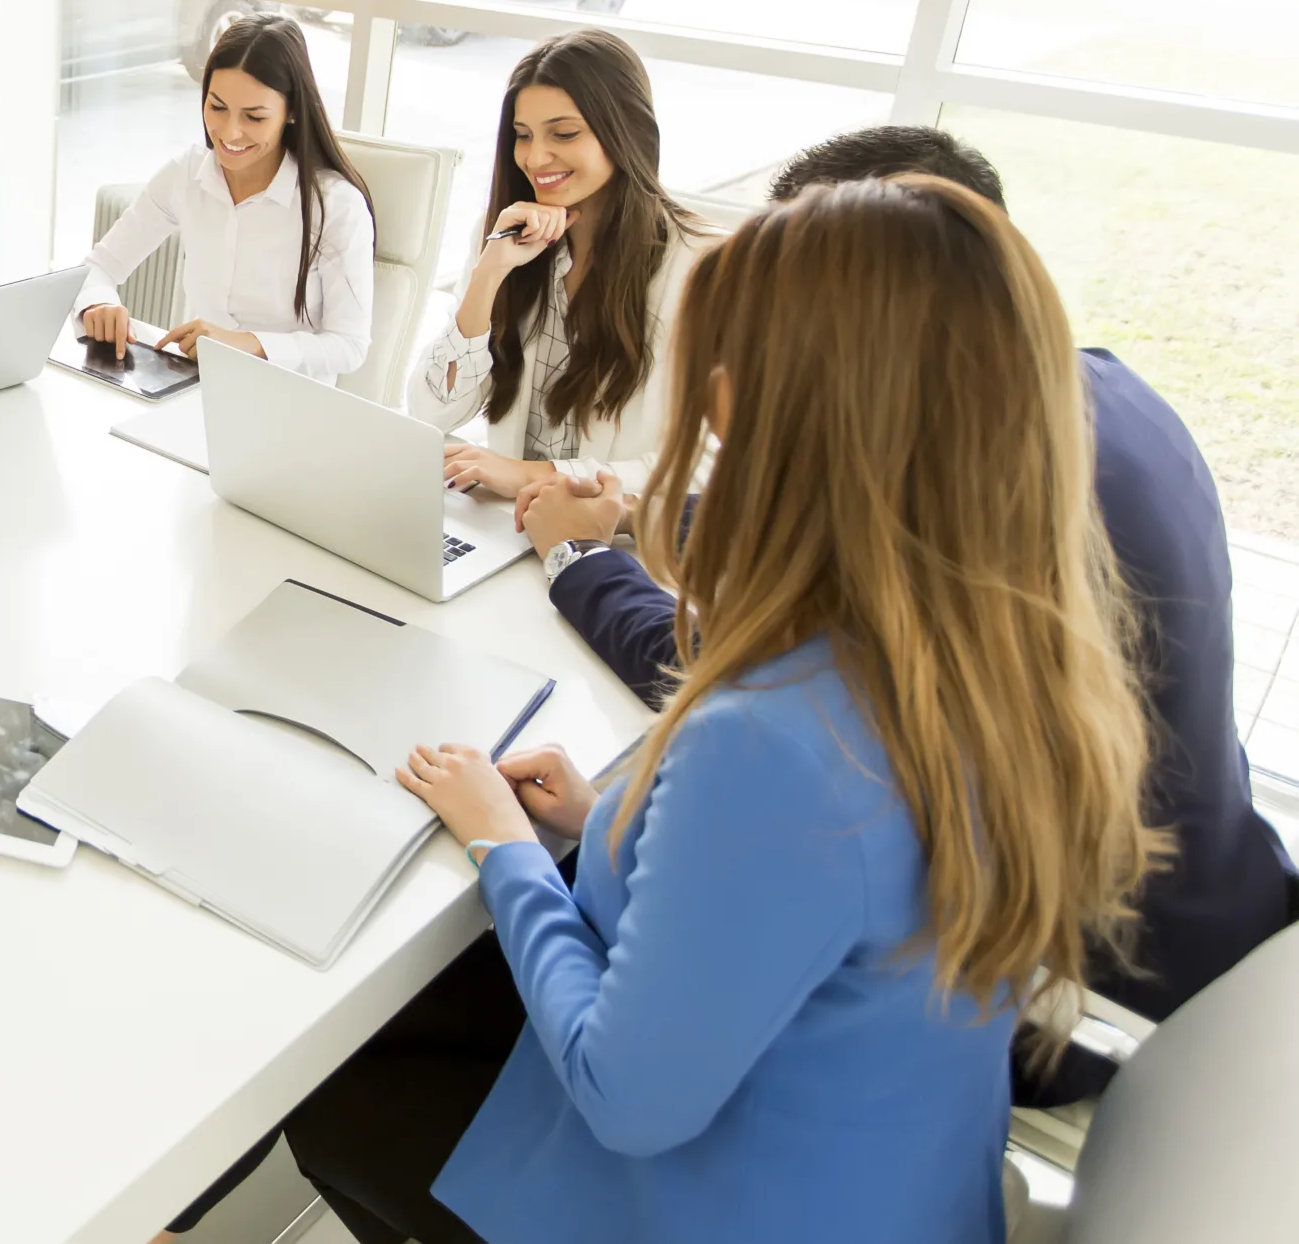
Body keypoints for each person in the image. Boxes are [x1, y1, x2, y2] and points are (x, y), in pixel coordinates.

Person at [200, 175, 1161, 1244]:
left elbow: (626, 1098)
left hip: (729, 1201)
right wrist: (606, 822)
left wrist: (504, 842)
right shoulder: (996, 652)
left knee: (338, 1090)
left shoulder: (775, 743)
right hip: (889, 1178)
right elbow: (818, 904)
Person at [516, 124, 1299, 1103]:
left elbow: (751, 667)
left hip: (1059, 997)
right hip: (1220, 916)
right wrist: (641, 511)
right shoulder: (1085, 393)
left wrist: (579, 558)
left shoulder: (939, 520)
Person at [408, 28, 706, 494]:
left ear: (626, 131)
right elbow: (432, 410)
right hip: (504, 523)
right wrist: (489, 275)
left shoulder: (699, 266)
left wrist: (536, 475)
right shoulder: (508, 235)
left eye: (564, 134)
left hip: (611, 542)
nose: (535, 157)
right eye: (522, 136)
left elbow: (707, 467)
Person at [78, 14, 375, 381]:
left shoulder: (334, 206)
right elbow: (98, 267)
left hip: (291, 406)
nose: (230, 132)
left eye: (254, 117)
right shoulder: (187, 174)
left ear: (292, 112)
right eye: (217, 108)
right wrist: (100, 302)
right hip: (196, 388)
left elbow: (349, 345)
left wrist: (247, 343)